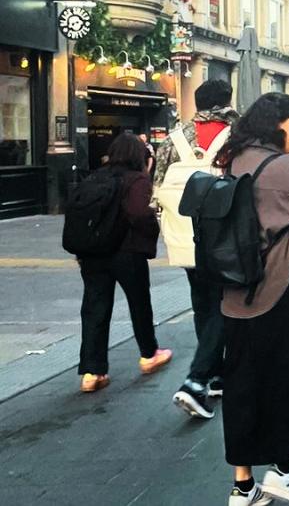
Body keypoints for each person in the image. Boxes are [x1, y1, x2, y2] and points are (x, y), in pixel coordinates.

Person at [211, 93, 289, 506]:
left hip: (235, 289)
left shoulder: (231, 159)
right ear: (278, 123)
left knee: (242, 382)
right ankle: (282, 470)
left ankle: (242, 485)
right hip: (284, 286)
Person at [154, 79, 238, 419]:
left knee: (201, 303)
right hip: (223, 235)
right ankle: (197, 380)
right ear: (227, 100)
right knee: (222, 303)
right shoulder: (238, 135)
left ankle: (216, 375)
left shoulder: (174, 138)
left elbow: (155, 189)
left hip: (184, 237)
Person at [77, 133, 173, 393]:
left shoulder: (96, 177)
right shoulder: (137, 179)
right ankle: (149, 353)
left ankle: (91, 372)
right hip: (126, 252)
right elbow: (140, 213)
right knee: (139, 303)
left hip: (93, 254)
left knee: (94, 308)